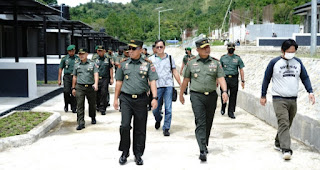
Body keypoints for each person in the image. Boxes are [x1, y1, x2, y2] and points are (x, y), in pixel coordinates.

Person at [260, 39, 315, 160]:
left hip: (293, 99)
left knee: (287, 123)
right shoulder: (274, 62)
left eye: (294, 51)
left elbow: (305, 77)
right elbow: (266, 79)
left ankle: (278, 141)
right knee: (283, 121)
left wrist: (310, 91)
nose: (291, 53)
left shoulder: (298, 62)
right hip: (279, 99)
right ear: (283, 50)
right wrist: (263, 95)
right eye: (289, 51)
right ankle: (286, 149)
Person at [180, 38, 228, 162]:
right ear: (198, 50)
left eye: (208, 47)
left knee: (208, 121)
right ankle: (202, 148)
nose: (207, 49)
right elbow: (186, 80)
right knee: (200, 121)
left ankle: (204, 142)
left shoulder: (215, 63)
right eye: (204, 47)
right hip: (197, 96)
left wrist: (224, 91)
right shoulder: (191, 63)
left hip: (212, 96)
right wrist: (181, 94)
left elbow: (221, 78)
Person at [113, 40, 158, 166]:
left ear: (140, 49)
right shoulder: (123, 64)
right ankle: (124, 151)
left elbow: (153, 81)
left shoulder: (147, 64)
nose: (130, 51)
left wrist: (155, 97)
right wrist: (115, 99)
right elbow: (119, 82)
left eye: (133, 49)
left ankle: (138, 154)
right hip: (126, 99)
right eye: (129, 49)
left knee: (140, 128)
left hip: (141, 99)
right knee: (125, 126)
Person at [149, 39, 181, 136]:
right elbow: (149, 75)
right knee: (155, 109)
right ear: (155, 48)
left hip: (168, 86)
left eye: (161, 47)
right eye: (157, 47)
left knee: (168, 108)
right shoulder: (151, 60)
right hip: (157, 86)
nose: (159, 49)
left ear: (164, 47)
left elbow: (174, 71)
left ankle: (166, 128)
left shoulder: (170, 58)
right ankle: (158, 119)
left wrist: (181, 83)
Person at [72, 48, 99, 130]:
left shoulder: (92, 64)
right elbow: (74, 76)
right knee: (79, 105)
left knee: (92, 104)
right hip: (80, 87)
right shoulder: (76, 65)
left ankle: (93, 116)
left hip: (90, 87)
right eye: (80, 54)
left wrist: (96, 84)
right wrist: (73, 88)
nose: (81, 55)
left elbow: (96, 74)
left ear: (87, 54)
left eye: (83, 54)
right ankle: (81, 122)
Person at [219, 42, 245, 119]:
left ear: (234, 49)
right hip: (225, 79)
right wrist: (218, 81)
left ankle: (231, 112)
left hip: (234, 79)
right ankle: (223, 107)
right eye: (229, 48)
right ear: (227, 49)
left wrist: (243, 80)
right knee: (224, 93)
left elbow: (241, 70)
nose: (231, 50)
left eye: (232, 49)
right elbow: (219, 70)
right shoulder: (223, 58)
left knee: (233, 96)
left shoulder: (237, 58)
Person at [92, 45, 114, 115]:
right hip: (97, 78)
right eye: (99, 51)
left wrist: (111, 78)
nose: (100, 52)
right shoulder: (95, 60)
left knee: (104, 93)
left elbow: (110, 69)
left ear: (104, 51)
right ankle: (98, 105)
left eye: (101, 51)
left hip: (105, 78)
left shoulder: (107, 59)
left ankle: (102, 108)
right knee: (97, 93)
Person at [58, 45, 79, 113]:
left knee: (74, 92)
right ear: (68, 51)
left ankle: (74, 107)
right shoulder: (65, 59)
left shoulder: (77, 58)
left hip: (75, 77)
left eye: (73, 51)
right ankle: (66, 104)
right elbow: (60, 68)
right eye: (70, 51)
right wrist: (59, 79)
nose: (71, 52)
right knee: (66, 91)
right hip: (67, 76)